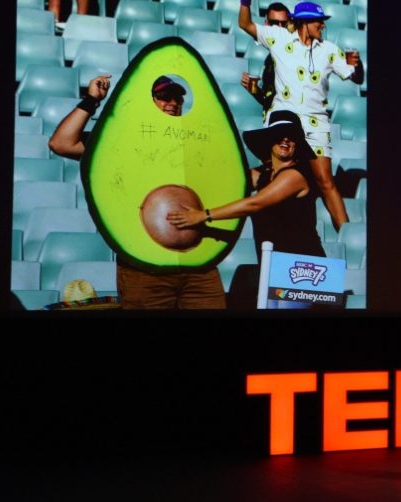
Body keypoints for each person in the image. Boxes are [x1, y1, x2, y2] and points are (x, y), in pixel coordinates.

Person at [48, 74, 227, 310]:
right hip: (143, 266)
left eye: (177, 98)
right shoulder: (121, 141)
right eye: (163, 97)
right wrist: (91, 101)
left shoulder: (197, 143)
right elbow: (61, 143)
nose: (172, 103)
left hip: (199, 264)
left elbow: (229, 180)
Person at [238, 0, 364, 234]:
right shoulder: (279, 38)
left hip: (316, 121)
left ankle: (347, 236)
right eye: (319, 21)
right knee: (272, 175)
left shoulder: (329, 50)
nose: (323, 26)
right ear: (305, 22)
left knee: (326, 182)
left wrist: (359, 66)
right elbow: (244, 23)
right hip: (285, 120)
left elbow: (356, 79)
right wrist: (245, 2)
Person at [165, 110, 324, 261]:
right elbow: (226, 182)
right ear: (269, 139)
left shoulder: (295, 175)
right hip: (275, 265)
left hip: (306, 267)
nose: (286, 140)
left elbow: (255, 204)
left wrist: (203, 215)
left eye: (292, 136)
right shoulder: (262, 174)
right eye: (280, 134)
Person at [240, 3, 292, 117]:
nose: (278, 28)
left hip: (288, 126)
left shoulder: (295, 53)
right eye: (273, 23)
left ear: (290, 25)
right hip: (271, 122)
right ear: (266, 24)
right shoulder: (270, 58)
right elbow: (267, 100)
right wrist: (254, 90)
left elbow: (245, 24)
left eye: (283, 24)